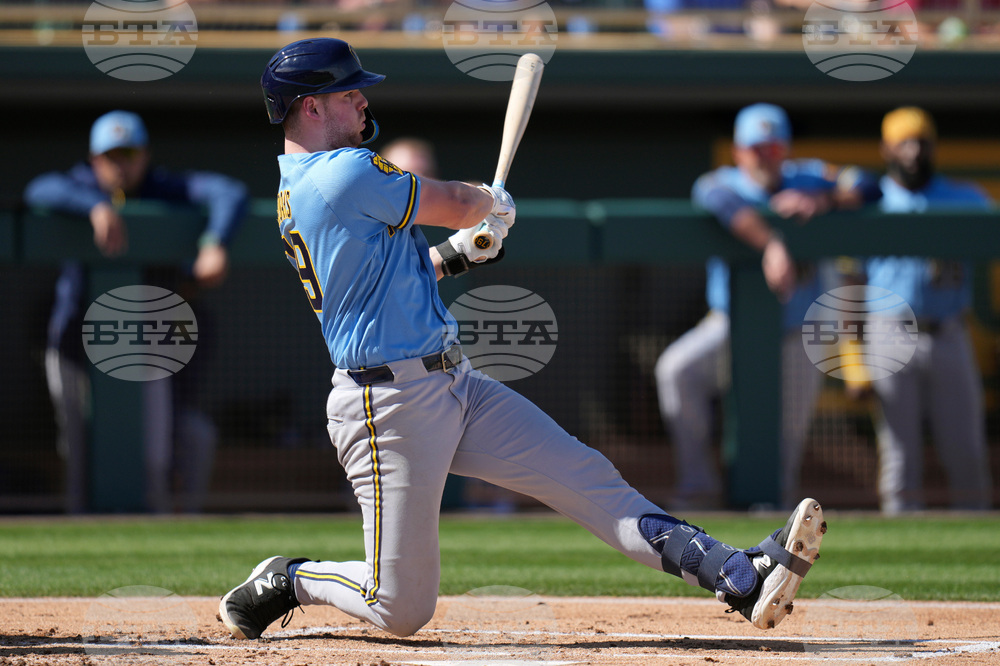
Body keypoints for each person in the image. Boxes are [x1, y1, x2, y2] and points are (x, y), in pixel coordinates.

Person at [218, 38, 826, 642]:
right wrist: (489, 203)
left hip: (452, 382)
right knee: (400, 608)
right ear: (310, 108)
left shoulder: (307, 181)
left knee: (591, 479)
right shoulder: (340, 171)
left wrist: (458, 253)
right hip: (387, 407)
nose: (360, 101)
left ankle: (739, 575)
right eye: (346, 93)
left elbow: (386, 278)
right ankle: (289, 579)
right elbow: (455, 201)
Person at [654, 103, 880, 510]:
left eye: (774, 148)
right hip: (729, 325)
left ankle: (773, 510)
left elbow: (869, 184)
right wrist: (772, 242)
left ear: (785, 149)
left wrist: (824, 197)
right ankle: (699, 483)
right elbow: (717, 199)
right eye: (756, 149)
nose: (765, 156)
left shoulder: (808, 176)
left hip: (795, 332)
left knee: (786, 437)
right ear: (739, 151)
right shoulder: (721, 181)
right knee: (676, 371)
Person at [23, 110, 249, 514]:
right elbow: (39, 190)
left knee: (153, 458)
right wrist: (95, 206)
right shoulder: (80, 185)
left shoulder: (162, 187)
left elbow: (228, 191)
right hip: (75, 343)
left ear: (144, 154)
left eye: (128, 153)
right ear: (95, 159)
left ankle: (156, 533)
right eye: (111, 155)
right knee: (79, 453)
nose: (120, 163)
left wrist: (215, 241)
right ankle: (81, 538)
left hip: (143, 345)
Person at [865, 106, 993, 513]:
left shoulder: (966, 199)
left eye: (921, 142)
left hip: (947, 328)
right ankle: (897, 553)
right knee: (899, 454)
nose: (914, 152)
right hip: (889, 328)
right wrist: (851, 357)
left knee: (967, 450)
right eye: (904, 143)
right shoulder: (870, 202)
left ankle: (980, 551)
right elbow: (845, 281)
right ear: (886, 148)